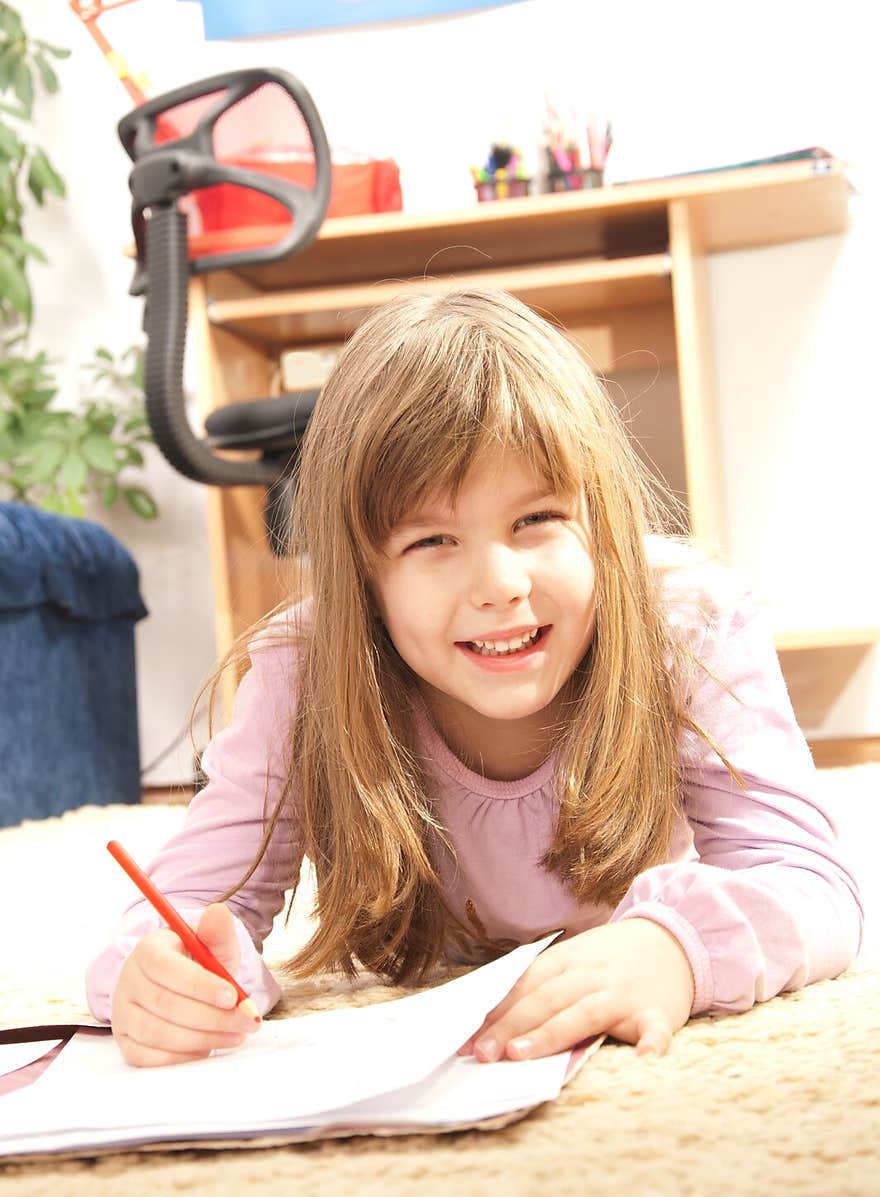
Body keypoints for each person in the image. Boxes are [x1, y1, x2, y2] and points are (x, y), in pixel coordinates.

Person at [86, 287, 863, 1069]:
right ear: (363, 576)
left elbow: (814, 884)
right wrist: (158, 980)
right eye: (432, 539)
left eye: (537, 520)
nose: (500, 584)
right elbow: (179, 915)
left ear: (603, 518)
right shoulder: (306, 670)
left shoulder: (689, 623)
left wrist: (675, 948)